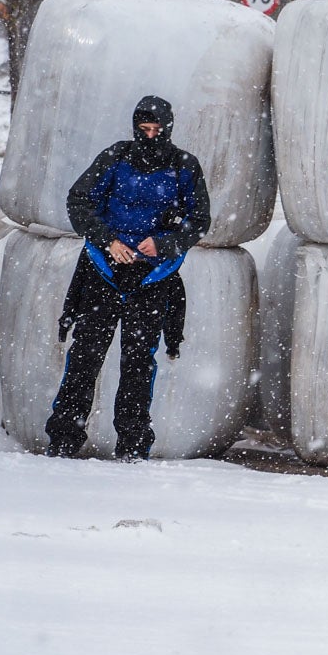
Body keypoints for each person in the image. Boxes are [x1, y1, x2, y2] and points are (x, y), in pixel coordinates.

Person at [45, 95, 210, 461]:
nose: (150, 137)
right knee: (85, 355)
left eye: (157, 131)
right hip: (104, 270)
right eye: (144, 130)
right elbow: (79, 202)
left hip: (152, 277)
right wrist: (108, 241)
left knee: (138, 363)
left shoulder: (185, 167)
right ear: (135, 128)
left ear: (168, 129)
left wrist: (165, 243)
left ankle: (133, 446)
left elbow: (199, 221)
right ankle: (63, 439)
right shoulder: (115, 157)